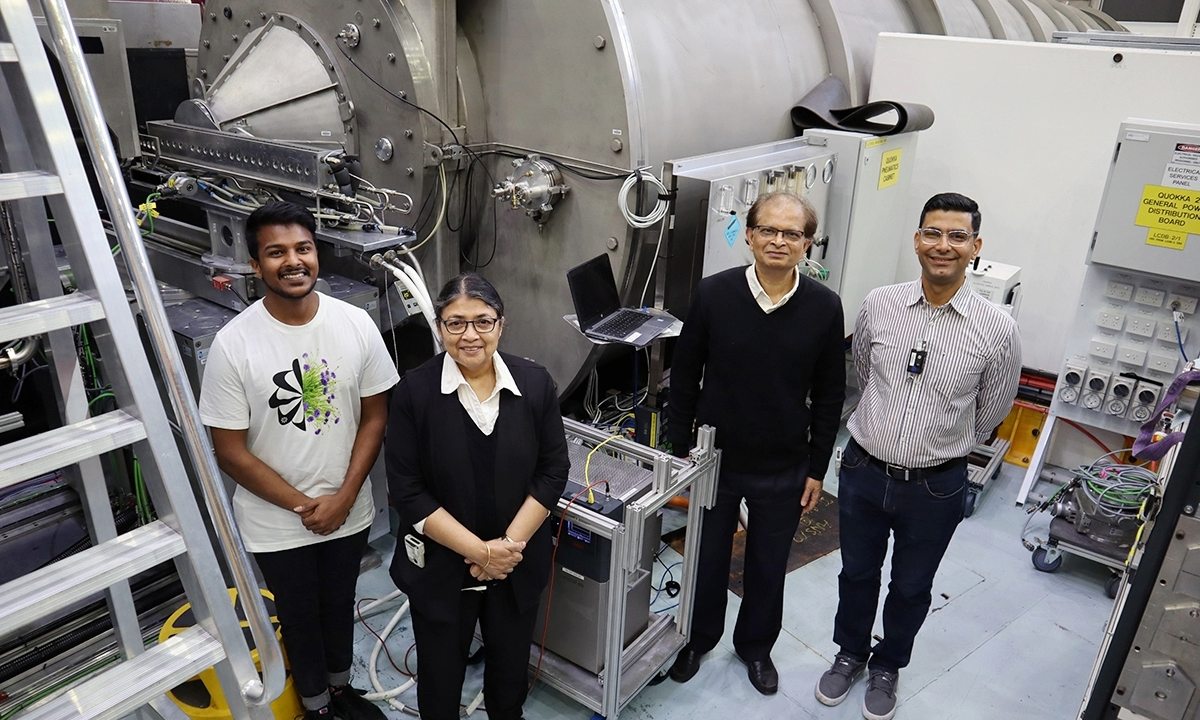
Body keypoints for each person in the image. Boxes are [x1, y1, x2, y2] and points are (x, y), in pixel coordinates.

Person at [815, 192, 1021, 720]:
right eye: (933, 232)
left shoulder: (997, 329)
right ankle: (850, 653)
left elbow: (993, 408)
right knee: (856, 573)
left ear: (976, 247)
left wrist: (940, 444)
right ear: (917, 239)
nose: (943, 246)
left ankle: (888, 666)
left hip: (936, 485)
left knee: (911, 585)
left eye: (957, 236)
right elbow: (861, 373)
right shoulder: (879, 304)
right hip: (863, 469)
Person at [198, 201, 397, 720]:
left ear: (317, 254)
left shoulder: (355, 324)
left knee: (338, 603)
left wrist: (345, 496)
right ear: (256, 263)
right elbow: (230, 451)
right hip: (276, 522)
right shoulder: (232, 345)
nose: (293, 261)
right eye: (276, 252)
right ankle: (314, 705)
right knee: (299, 614)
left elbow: (376, 415)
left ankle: (339, 690)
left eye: (302, 248)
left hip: (348, 508)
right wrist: (308, 507)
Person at [666, 191, 846, 695]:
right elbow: (684, 377)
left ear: (807, 244)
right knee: (705, 558)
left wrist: (817, 468)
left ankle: (756, 648)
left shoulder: (824, 308)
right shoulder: (712, 294)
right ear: (748, 235)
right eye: (769, 229)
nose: (779, 241)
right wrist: (680, 453)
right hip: (713, 460)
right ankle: (698, 638)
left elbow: (831, 394)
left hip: (784, 464)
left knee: (770, 565)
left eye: (792, 233)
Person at [386, 273, 570, 720]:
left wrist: (506, 550)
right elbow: (407, 491)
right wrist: (480, 553)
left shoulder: (534, 384)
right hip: (442, 566)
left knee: (509, 674)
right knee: (440, 675)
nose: (471, 335)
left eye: (483, 322)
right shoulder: (415, 392)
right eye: (456, 323)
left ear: (501, 325)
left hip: (516, 563)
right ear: (439, 326)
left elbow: (553, 471)